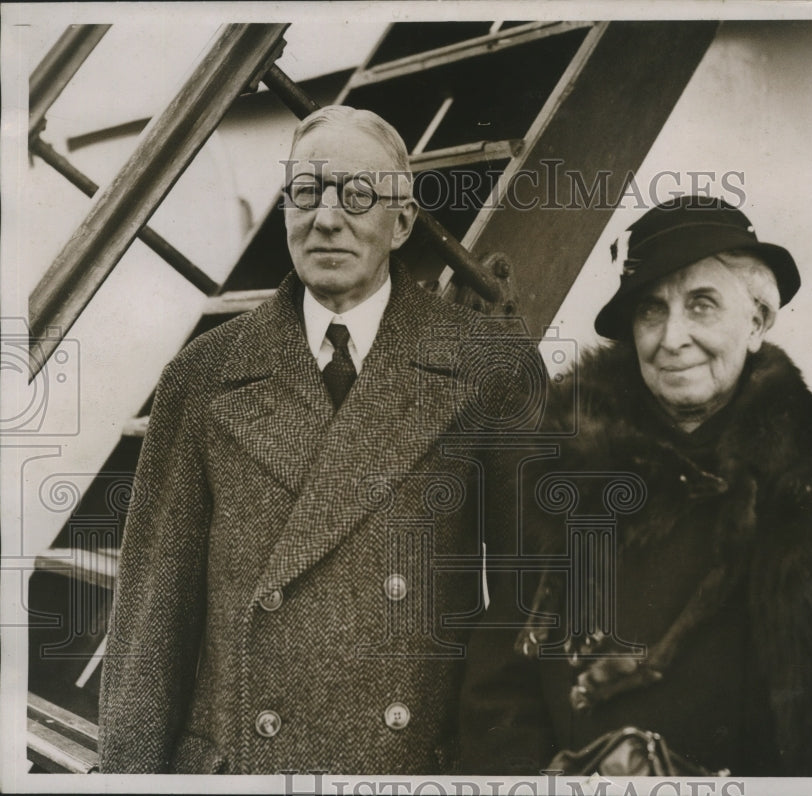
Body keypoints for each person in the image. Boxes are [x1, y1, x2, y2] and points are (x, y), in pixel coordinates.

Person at [100, 106, 537, 774]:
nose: (327, 217)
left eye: (357, 194)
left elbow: (524, 605)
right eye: (306, 192)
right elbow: (150, 623)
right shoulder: (203, 376)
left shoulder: (489, 368)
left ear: (403, 222)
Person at [458, 195, 812, 777]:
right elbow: (498, 693)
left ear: (757, 322)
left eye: (701, 306)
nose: (672, 337)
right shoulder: (566, 468)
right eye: (652, 311)